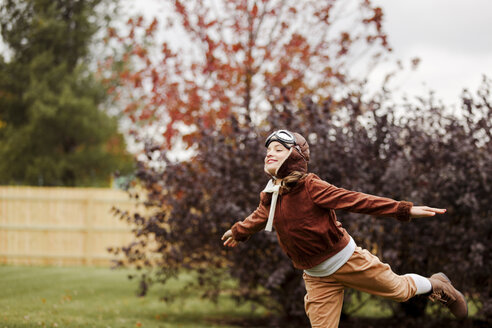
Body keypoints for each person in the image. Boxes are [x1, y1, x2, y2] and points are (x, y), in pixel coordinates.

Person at [221, 130, 468, 327]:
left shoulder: (311, 186)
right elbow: (262, 215)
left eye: (278, 149)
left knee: (400, 290)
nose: (269, 154)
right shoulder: (272, 192)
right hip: (317, 276)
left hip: (348, 261)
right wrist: (239, 232)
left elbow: (357, 200)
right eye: (268, 151)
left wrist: (404, 209)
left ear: (295, 156)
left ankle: (439, 286)